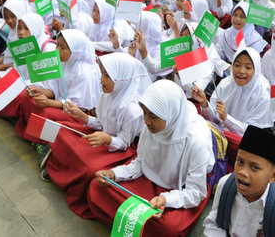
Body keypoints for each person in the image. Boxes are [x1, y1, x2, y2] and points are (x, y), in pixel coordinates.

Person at [89, 80, 215, 237]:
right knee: (97, 186)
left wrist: (166, 199)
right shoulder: (150, 128)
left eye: (154, 117)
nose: (147, 121)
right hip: (152, 183)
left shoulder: (196, 141)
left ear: (170, 114)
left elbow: (195, 192)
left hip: (179, 190)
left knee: (169, 228)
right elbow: (140, 164)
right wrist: (114, 174)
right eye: (145, 113)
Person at [44, 53, 149, 217]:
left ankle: (66, 177)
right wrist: (82, 116)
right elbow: (102, 123)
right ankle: (51, 157)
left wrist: (107, 139)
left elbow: (124, 142)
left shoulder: (132, 109)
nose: (101, 79)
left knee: (88, 167)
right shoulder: (107, 94)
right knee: (59, 129)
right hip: (104, 136)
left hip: (121, 149)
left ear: (121, 78)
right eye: (102, 74)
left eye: (107, 75)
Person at [203, 125, 275, 237]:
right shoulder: (225, 184)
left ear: (274, 176)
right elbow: (214, 224)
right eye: (240, 161)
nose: (242, 172)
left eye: (254, 167)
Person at [192, 47, 274, 148]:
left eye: (248, 68)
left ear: (256, 70)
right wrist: (205, 104)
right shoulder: (225, 85)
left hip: (245, 144)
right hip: (220, 136)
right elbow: (214, 120)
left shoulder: (262, 94)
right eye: (237, 65)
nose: (241, 71)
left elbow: (252, 133)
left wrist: (226, 118)